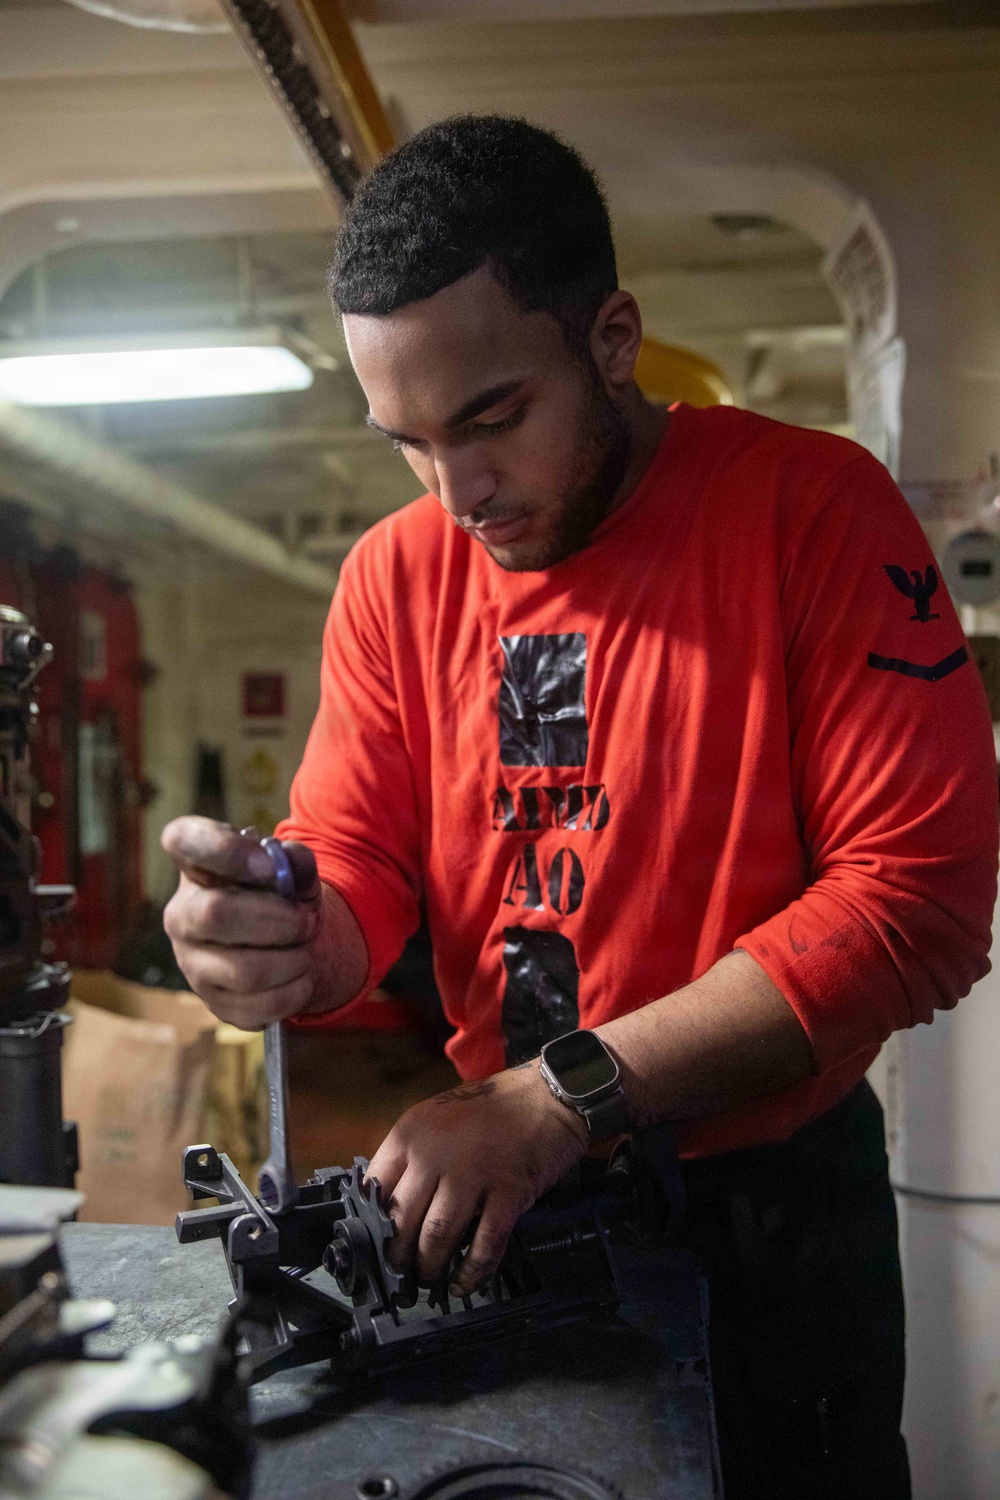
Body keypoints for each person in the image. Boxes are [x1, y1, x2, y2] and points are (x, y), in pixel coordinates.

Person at [162, 116, 998, 1498]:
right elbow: (358, 853)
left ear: (612, 337)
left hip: (768, 1208)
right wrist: (293, 934)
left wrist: (568, 1093)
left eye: (493, 420)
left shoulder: (811, 510)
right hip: (513, 1198)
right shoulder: (393, 577)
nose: (458, 492)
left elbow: (918, 906)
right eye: (409, 444)